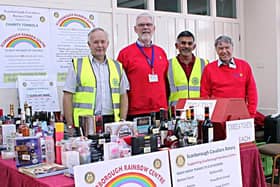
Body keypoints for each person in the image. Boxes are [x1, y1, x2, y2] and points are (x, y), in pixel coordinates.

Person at [63, 27, 129, 135]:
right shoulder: (77, 65)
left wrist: (122, 121)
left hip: (111, 122)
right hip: (85, 123)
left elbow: (123, 95)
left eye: (102, 42)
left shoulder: (117, 66)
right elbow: (67, 96)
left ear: (107, 44)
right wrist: (70, 125)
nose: (100, 45)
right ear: (89, 45)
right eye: (95, 42)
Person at [117, 13, 169, 120]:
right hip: (136, 112)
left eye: (148, 25)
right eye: (141, 25)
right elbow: (120, 87)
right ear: (135, 29)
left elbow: (167, 82)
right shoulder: (125, 54)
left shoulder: (161, 52)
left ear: (154, 28)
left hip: (160, 111)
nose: (145, 28)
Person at [200, 35, 258, 117]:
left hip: (240, 114)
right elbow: (204, 95)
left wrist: (251, 113)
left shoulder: (244, 66)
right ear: (216, 50)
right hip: (217, 115)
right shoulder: (209, 69)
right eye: (220, 48)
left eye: (227, 47)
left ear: (232, 48)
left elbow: (252, 92)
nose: (224, 51)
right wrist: (207, 115)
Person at [168, 31, 208, 107]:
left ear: (194, 46)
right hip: (177, 111)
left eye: (189, 43)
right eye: (183, 43)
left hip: (199, 110)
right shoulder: (168, 65)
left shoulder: (205, 64)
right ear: (176, 46)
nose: (186, 46)